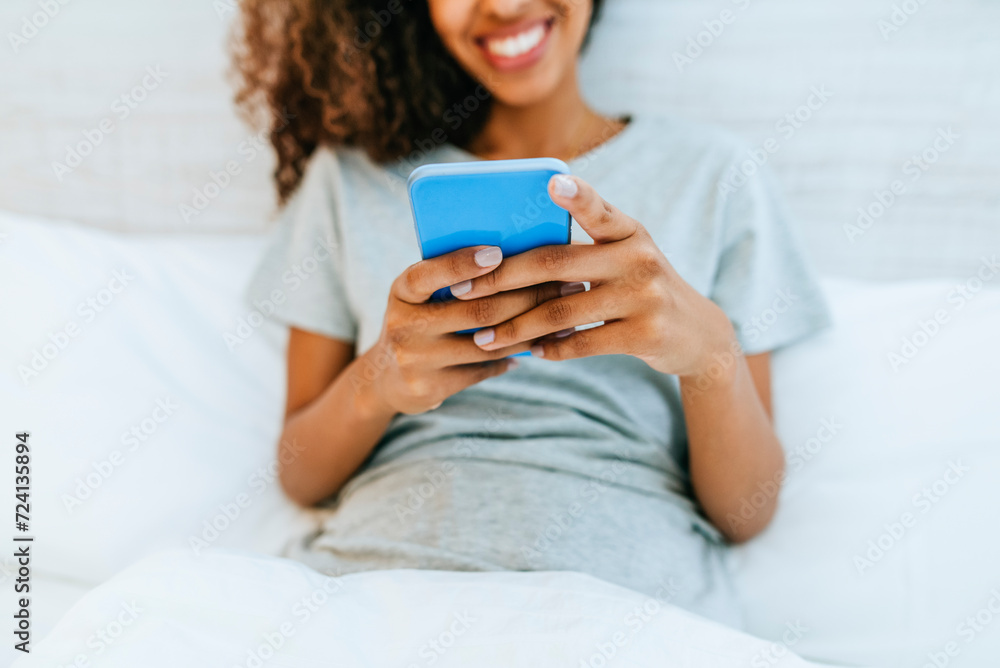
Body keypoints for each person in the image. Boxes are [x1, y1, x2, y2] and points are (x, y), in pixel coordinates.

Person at [236, 0, 830, 626]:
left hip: (631, 611)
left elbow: (746, 515)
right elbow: (300, 478)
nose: (504, 5)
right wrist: (376, 380)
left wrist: (712, 357)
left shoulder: (714, 174)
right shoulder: (350, 178)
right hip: (381, 596)